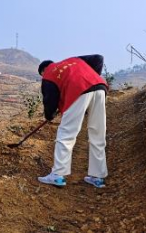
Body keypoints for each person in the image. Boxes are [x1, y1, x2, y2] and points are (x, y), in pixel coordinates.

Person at [37, 54, 108, 188]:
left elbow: (49, 100)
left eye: (42, 74)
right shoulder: (73, 61)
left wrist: (49, 115)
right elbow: (99, 58)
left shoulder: (48, 74)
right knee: (98, 134)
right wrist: (91, 78)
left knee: (66, 134)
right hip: (99, 87)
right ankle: (97, 177)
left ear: (44, 69)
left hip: (78, 90)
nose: (43, 77)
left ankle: (57, 175)